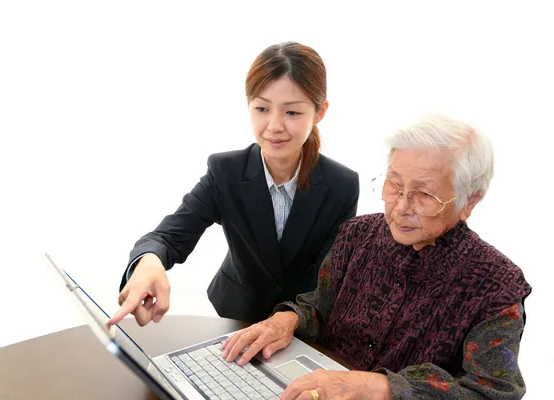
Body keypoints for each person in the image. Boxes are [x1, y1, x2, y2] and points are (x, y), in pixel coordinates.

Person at [221, 114, 532, 399]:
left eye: (424, 194)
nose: (400, 207)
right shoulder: (357, 236)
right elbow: (320, 308)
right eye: (394, 184)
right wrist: (287, 319)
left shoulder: (496, 286)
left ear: (470, 201)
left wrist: (378, 387)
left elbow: (492, 391)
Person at [108, 42, 360, 327]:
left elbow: (331, 278)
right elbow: (168, 236)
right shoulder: (225, 171)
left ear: (320, 112)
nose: (274, 125)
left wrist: (291, 319)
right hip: (234, 314)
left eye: (292, 112)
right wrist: (149, 262)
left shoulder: (343, 185)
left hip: (299, 325)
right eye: (262, 108)